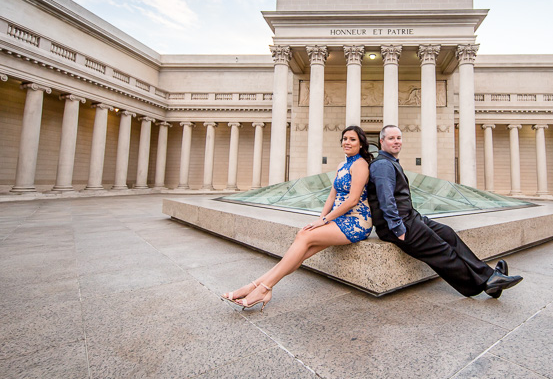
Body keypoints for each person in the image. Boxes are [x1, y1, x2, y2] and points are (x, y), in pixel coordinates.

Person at [222, 125, 373, 311]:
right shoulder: (342, 165)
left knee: (304, 235)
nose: (347, 142)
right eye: (344, 139)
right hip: (337, 220)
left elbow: (352, 200)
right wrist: (321, 218)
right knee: (296, 255)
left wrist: (324, 222)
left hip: (356, 222)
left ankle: (262, 288)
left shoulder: (361, 165)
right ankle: (255, 287)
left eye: (352, 139)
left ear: (361, 144)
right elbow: (331, 196)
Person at [367, 125, 523, 298]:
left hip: (410, 216)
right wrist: (397, 228)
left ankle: (489, 278)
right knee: (441, 250)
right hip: (398, 224)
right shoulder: (382, 165)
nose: (396, 142)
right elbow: (385, 198)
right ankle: (485, 281)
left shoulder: (390, 163)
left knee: (448, 234)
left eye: (399, 138)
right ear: (382, 141)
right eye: (391, 138)